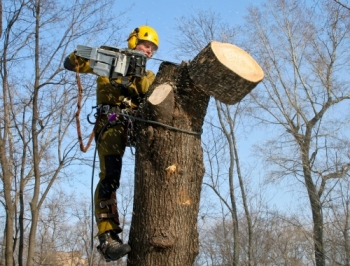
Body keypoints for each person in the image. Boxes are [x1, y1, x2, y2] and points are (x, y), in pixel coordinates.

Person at [63, 25, 159, 262]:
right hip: (112, 122)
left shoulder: (148, 76)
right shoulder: (109, 64)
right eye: (146, 45)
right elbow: (71, 63)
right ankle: (108, 238)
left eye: (152, 49)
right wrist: (96, 56)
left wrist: (133, 80)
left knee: (159, 165)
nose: (149, 51)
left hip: (137, 124)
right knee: (110, 177)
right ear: (133, 41)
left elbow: (151, 94)